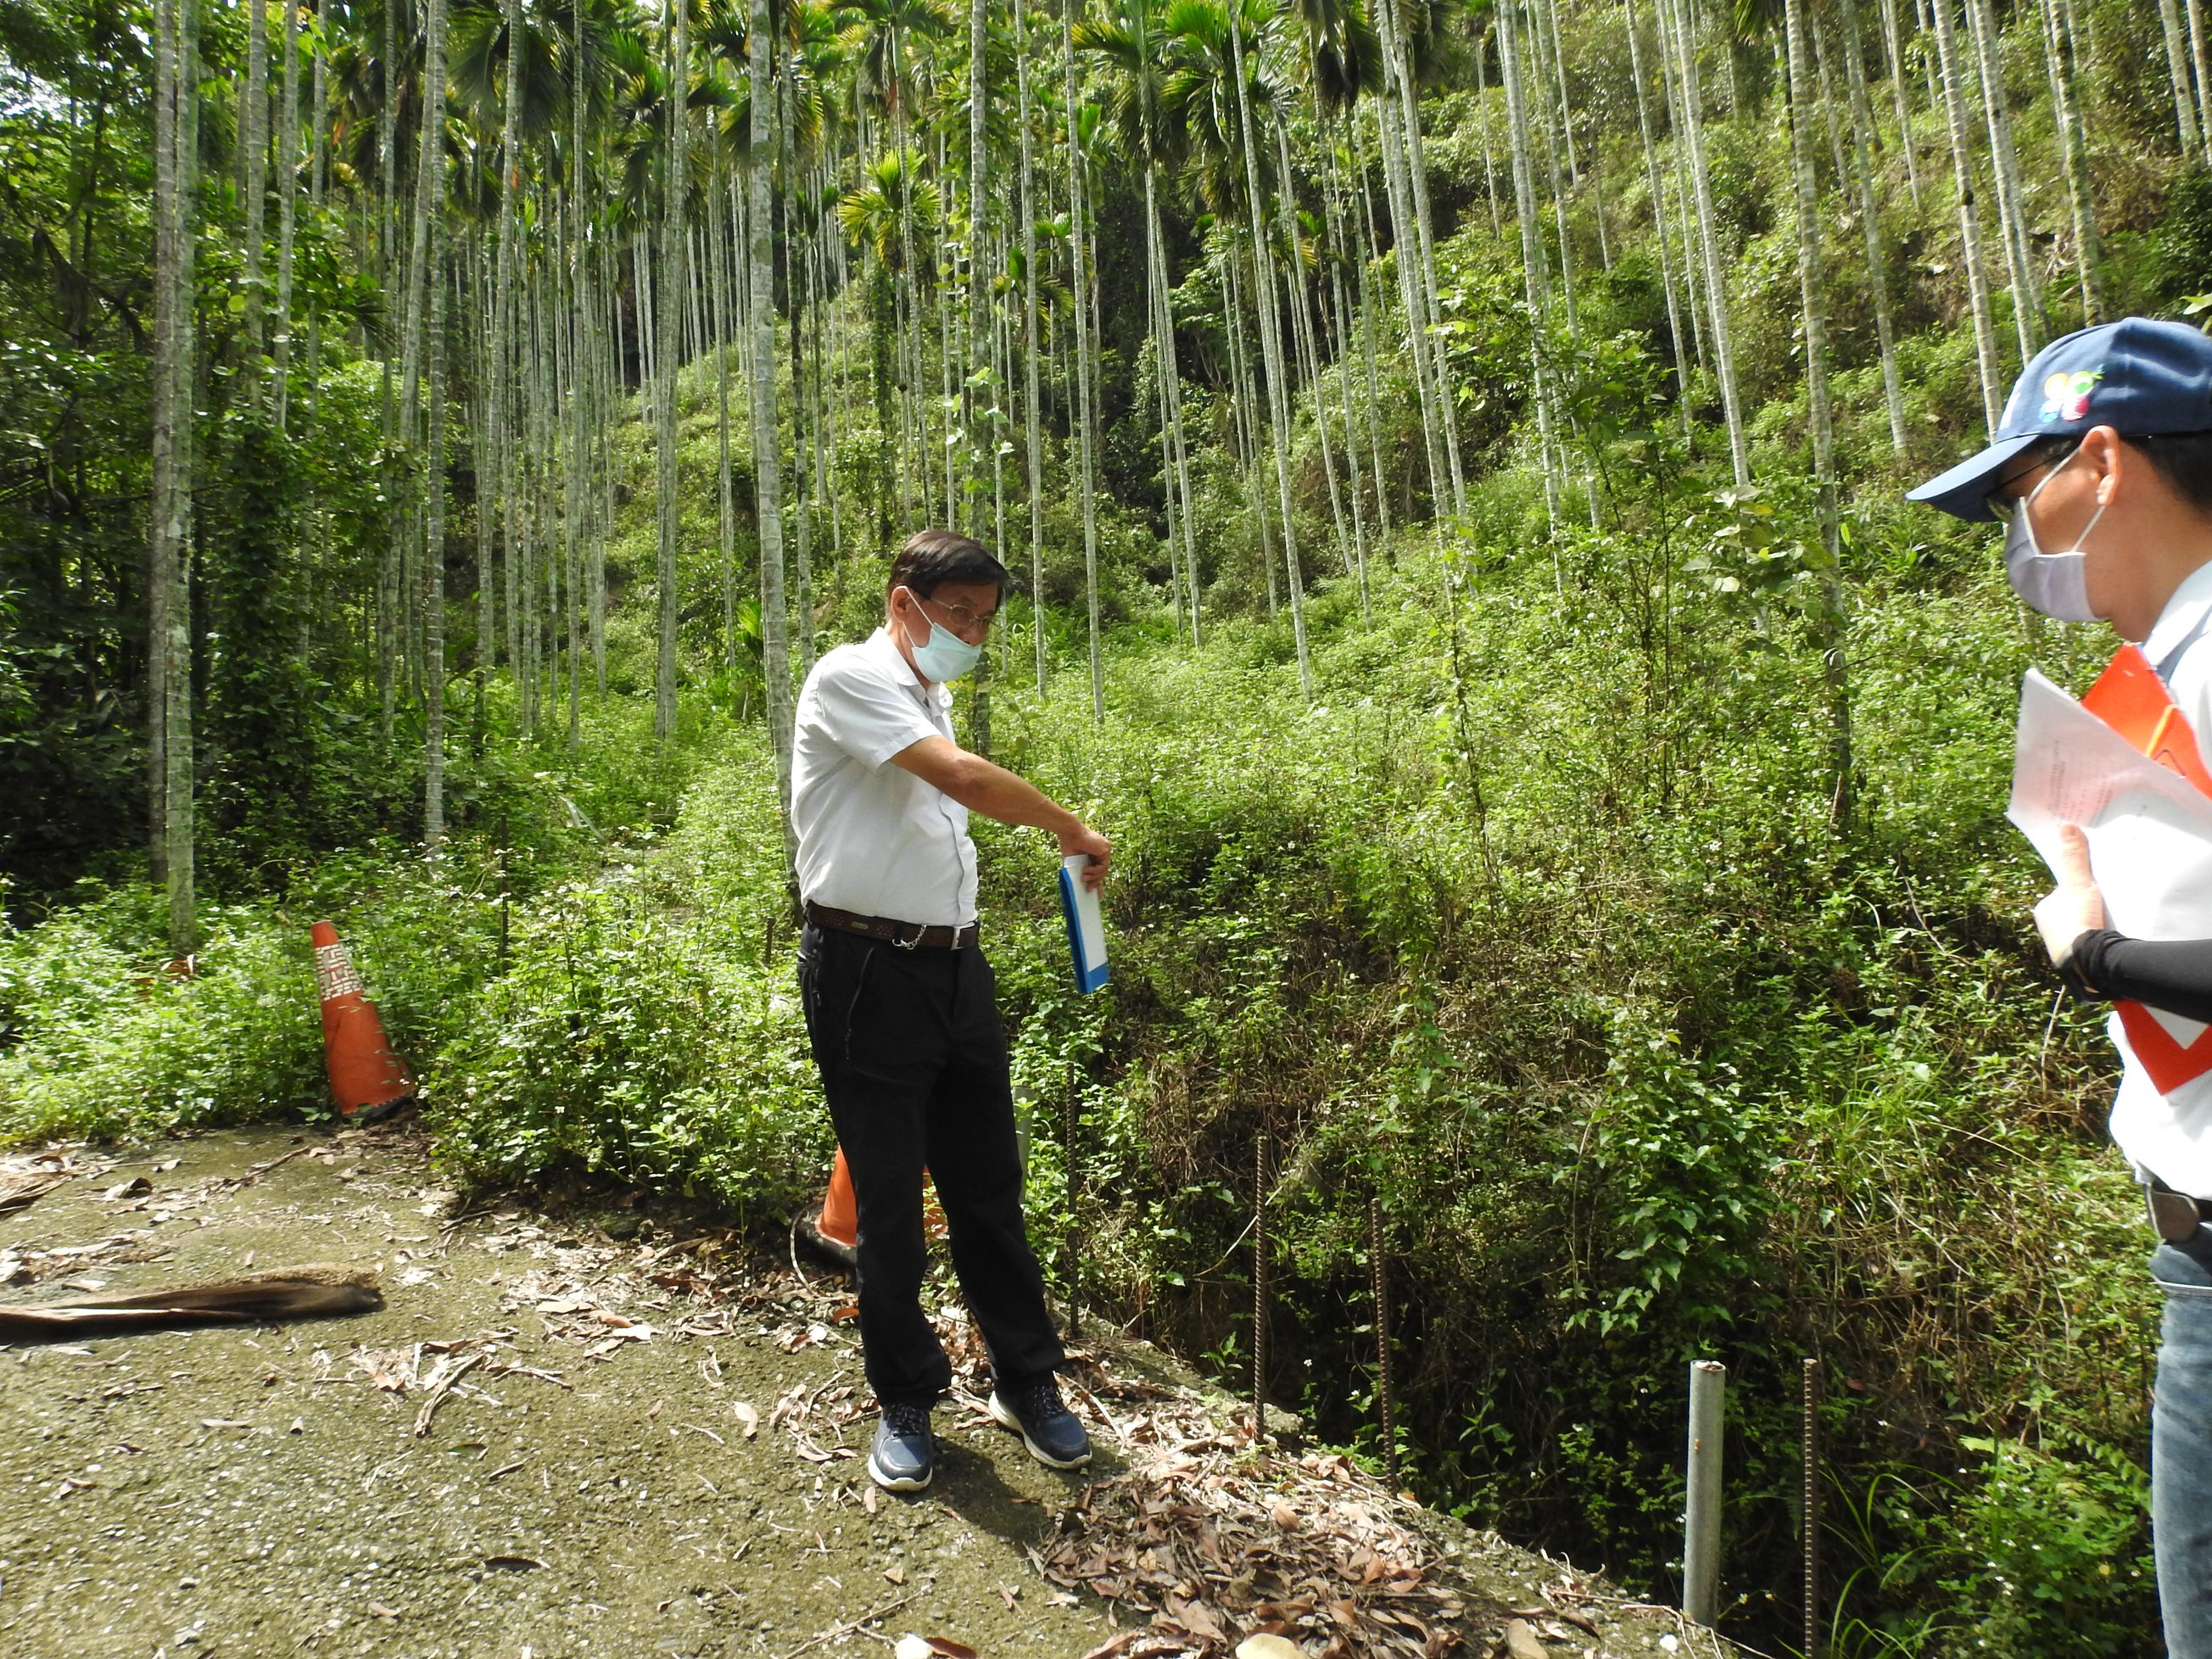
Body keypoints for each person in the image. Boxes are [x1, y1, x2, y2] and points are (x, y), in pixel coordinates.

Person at [1909, 316, 2212, 1656]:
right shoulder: (2158, 669)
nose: (2010, 536)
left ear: (2103, 461)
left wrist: (2098, 955)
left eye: (2013, 494)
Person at [788, 527, 1110, 1494]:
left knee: (988, 1193)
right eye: (956, 613)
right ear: (902, 602)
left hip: (957, 971)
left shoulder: (928, 692)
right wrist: (1067, 823)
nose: (971, 631)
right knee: (889, 1207)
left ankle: (1026, 1381)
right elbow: (962, 781)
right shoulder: (848, 678)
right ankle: (907, 1400)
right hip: (865, 972)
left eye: (983, 618)